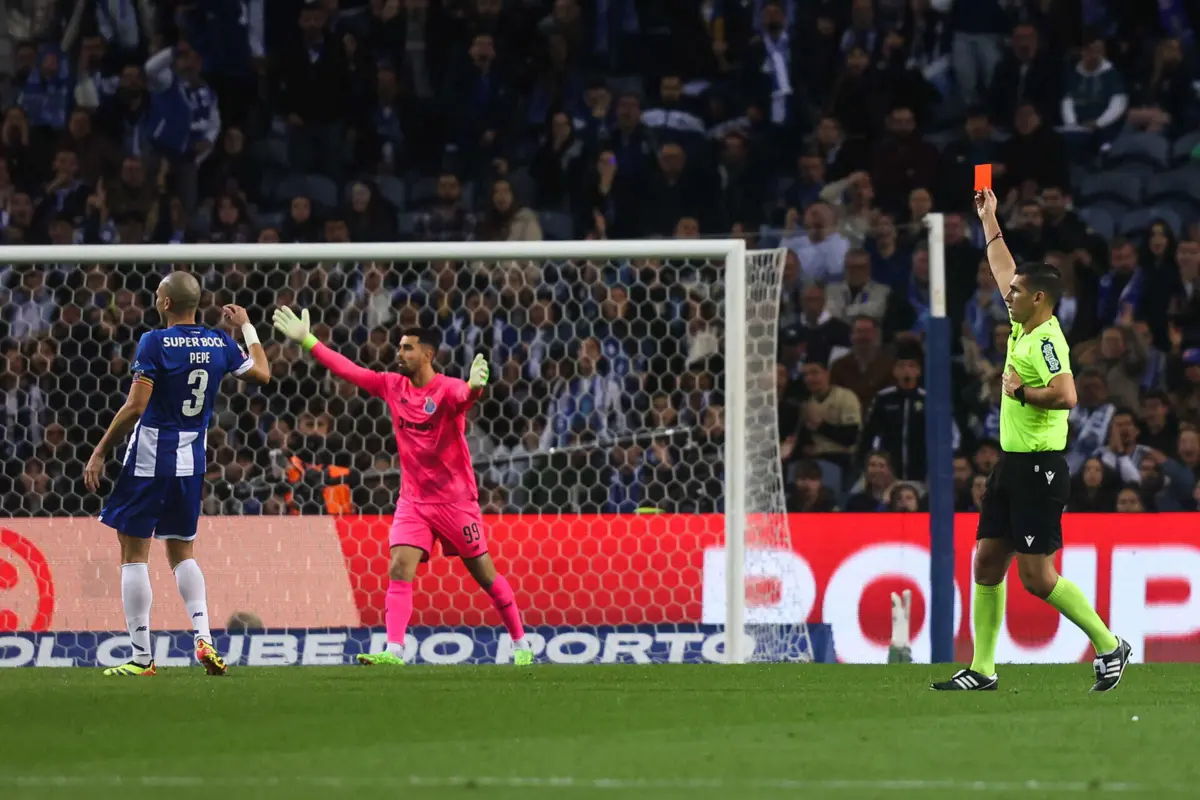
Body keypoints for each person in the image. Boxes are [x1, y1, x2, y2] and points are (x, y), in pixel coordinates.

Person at [933, 188, 1130, 694]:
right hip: (1011, 465)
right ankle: (982, 669)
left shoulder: (1045, 340)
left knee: (1037, 578)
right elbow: (1003, 265)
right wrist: (990, 218)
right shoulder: (1025, 322)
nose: (1008, 295)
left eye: (1017, 292)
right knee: (986, 561)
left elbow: (1066, 396)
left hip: (1041, 468)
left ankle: (1110, 646)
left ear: (1039, 298)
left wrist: (1024, 392)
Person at [272, 307, 534, 666]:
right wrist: (308, 340)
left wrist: (475, 387)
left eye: (408, 348)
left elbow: (462, 397)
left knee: (485, 575)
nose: (400, 354)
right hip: (414, 501)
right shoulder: (391, 385)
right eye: (400, 347)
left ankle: (521, 644)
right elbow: (349, 370)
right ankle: (394, 649)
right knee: (399, 567)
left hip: (455, 501)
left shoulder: (444, 390)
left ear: (427, 354)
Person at [84, 272, 271, 677]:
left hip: (151, 457)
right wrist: (246, 327)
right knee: (181, 551)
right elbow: (262, 373)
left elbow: (135, 406)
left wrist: (100, 451)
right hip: (192, 461)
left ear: (166, 303)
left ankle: (141, 657)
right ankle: (203, 636)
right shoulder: (219, 341)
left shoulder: (154, 341)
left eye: (157, 294)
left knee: (133, 553)